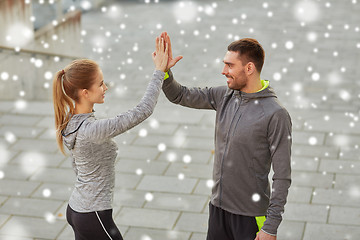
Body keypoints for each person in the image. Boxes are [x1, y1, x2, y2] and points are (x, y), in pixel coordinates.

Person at [160, 32, 292, 240]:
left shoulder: (275, 114)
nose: (223, 71)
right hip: (218, 210)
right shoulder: (224, 96)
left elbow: (282, 175)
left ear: (249, 68)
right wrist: (165, 71)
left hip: (250, 217)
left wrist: (270, 226)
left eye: (230, 65)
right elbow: (179, 95)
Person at [52, 37, 169, 239]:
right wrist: (160, 71)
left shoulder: (70, 122)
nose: (106, 87)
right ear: (86, 93)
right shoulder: (92, 129)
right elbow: (143, 110)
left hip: (78, 209)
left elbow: (77, 165)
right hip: (93, 215)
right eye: (101, 84)